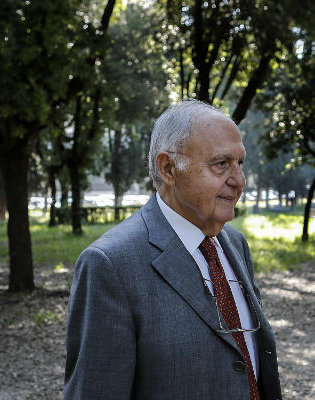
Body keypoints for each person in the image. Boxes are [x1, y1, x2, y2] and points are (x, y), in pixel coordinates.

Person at [65, 100, 282, 400]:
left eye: (240, 163)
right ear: (168, 168)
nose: (239, 181)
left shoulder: (235, 244)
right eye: (221, 164)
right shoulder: (110, 265)